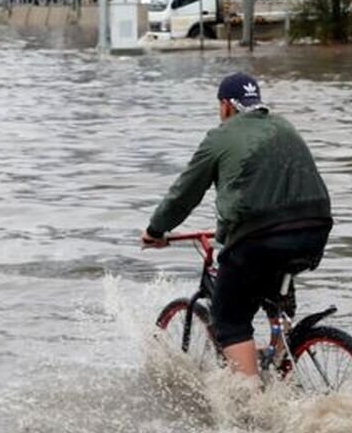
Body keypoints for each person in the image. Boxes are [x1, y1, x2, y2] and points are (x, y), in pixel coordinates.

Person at [142, 72, 333, 377]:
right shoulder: (284, 125)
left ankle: (251, 405)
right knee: (277, 291)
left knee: (229, 321)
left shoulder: (221, 136)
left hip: (260, 238)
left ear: (226, 106)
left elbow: (184, 194)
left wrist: (155, 231)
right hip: (315, 229)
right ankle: (279, 359)